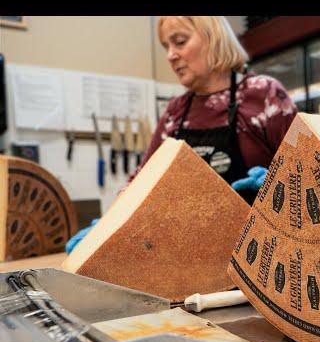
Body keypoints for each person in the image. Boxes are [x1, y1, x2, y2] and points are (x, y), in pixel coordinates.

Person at [66, 16, 298, 253]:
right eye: (167, 46)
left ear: (213, 38)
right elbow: (142, 182)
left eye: (180, 41)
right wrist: (105, 227)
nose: (170, 55)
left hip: (262, 251)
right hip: (189, 256)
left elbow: (306, 173)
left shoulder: (262, 93)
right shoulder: (175, 112)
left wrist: (278, 188)